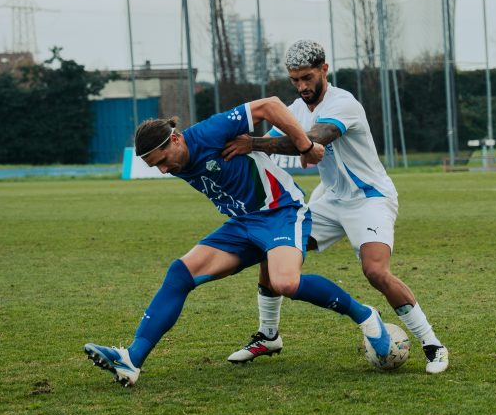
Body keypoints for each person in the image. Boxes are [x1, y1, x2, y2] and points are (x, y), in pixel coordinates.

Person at [84, 99, 395, 387]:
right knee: (180, 273)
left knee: (285, 282)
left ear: (176, 139)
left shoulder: (210, 131)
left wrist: (305, 145)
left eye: (163, 160)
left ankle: (365, 315)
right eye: (156, 167)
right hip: (243, 223)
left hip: (280, 212)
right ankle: (131, 359)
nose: (164, 170)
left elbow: (270, 105)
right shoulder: (175, 159)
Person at [220, 39, 449, 374]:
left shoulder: (344, 103)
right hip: (329, 199)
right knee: (276, 248)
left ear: (324, 69)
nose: (301, 86)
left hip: (370, 199)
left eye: (307, 78)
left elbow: (312, 140)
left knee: (375, 272)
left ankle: (433, 345)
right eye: (295, 80)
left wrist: (251, 142)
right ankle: (268, 336)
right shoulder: (296, 108)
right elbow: (267, 149)